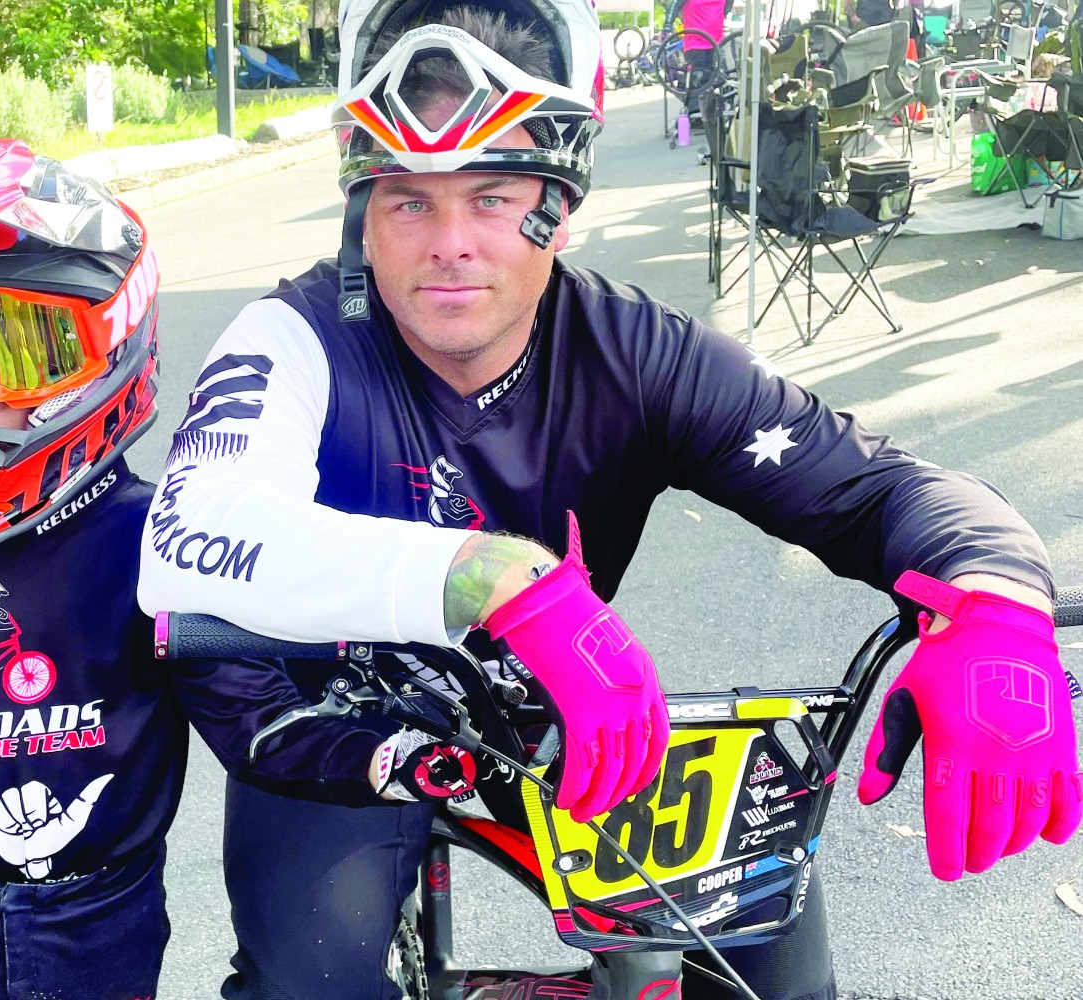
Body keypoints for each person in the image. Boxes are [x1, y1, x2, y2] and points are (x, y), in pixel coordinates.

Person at [135, 2, 1083, 1000]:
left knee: (771, 958)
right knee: (308, 983)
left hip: (548, 700)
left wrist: (994, 604)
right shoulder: (294, 336)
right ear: (360, 204)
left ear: (561, 200)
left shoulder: (637, 354)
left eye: (494, 196)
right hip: (327, 719)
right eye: (409, 201)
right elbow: (189, 538)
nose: (450, 243)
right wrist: (498, 582)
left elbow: (874, 484)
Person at [0, 139, 405, 1000]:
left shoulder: (156, 538)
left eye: (17, 355)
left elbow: (246, 702)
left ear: (110, 343)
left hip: (98, 917)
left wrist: (378, 735)